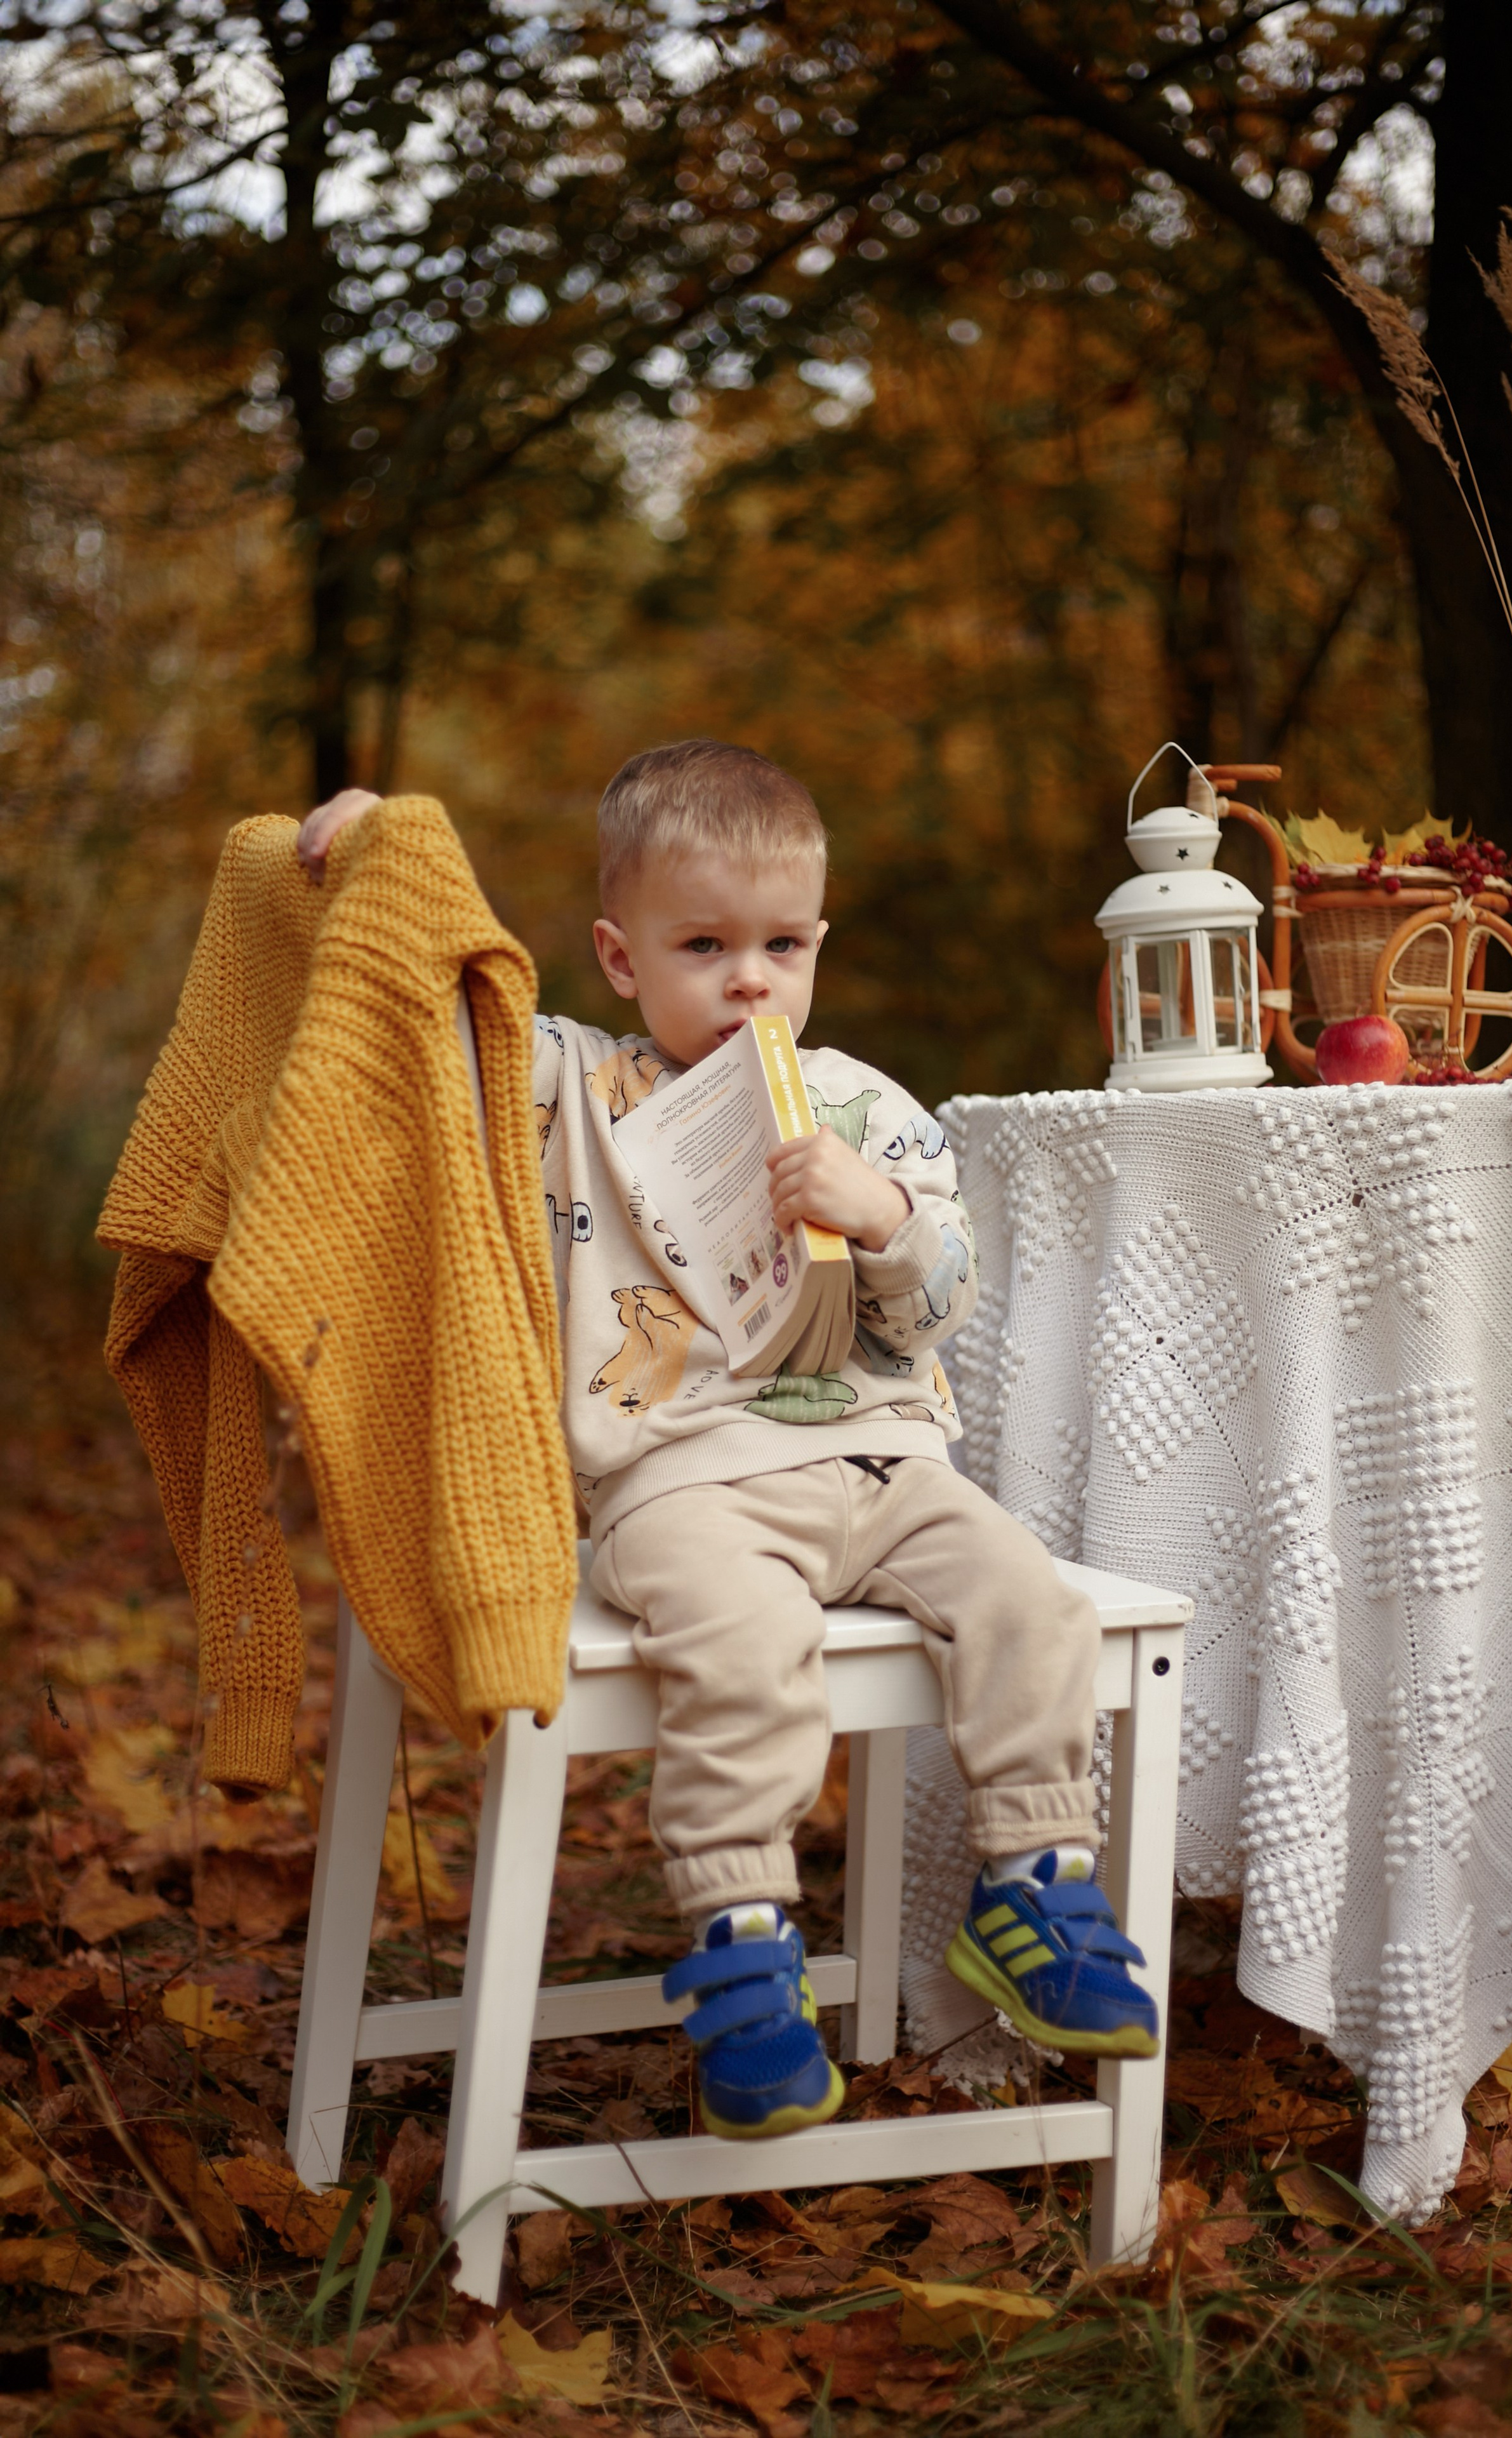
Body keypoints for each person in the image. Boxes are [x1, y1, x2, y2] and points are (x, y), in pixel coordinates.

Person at [298, 742, 1157, 2141]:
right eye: (702, 947)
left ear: (817, 946)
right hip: (684, 1479)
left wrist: (880, 1216)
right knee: (747, 1652)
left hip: (887, 1462)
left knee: (1030, 1601)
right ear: (620, 958)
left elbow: (943, 1304)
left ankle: (1034, 1889)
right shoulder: (574, 1084)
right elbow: (440, 1020)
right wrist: (381, 860)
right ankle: (744, 1951)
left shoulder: (869, 1107)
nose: (749, 980)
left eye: (780, 946)